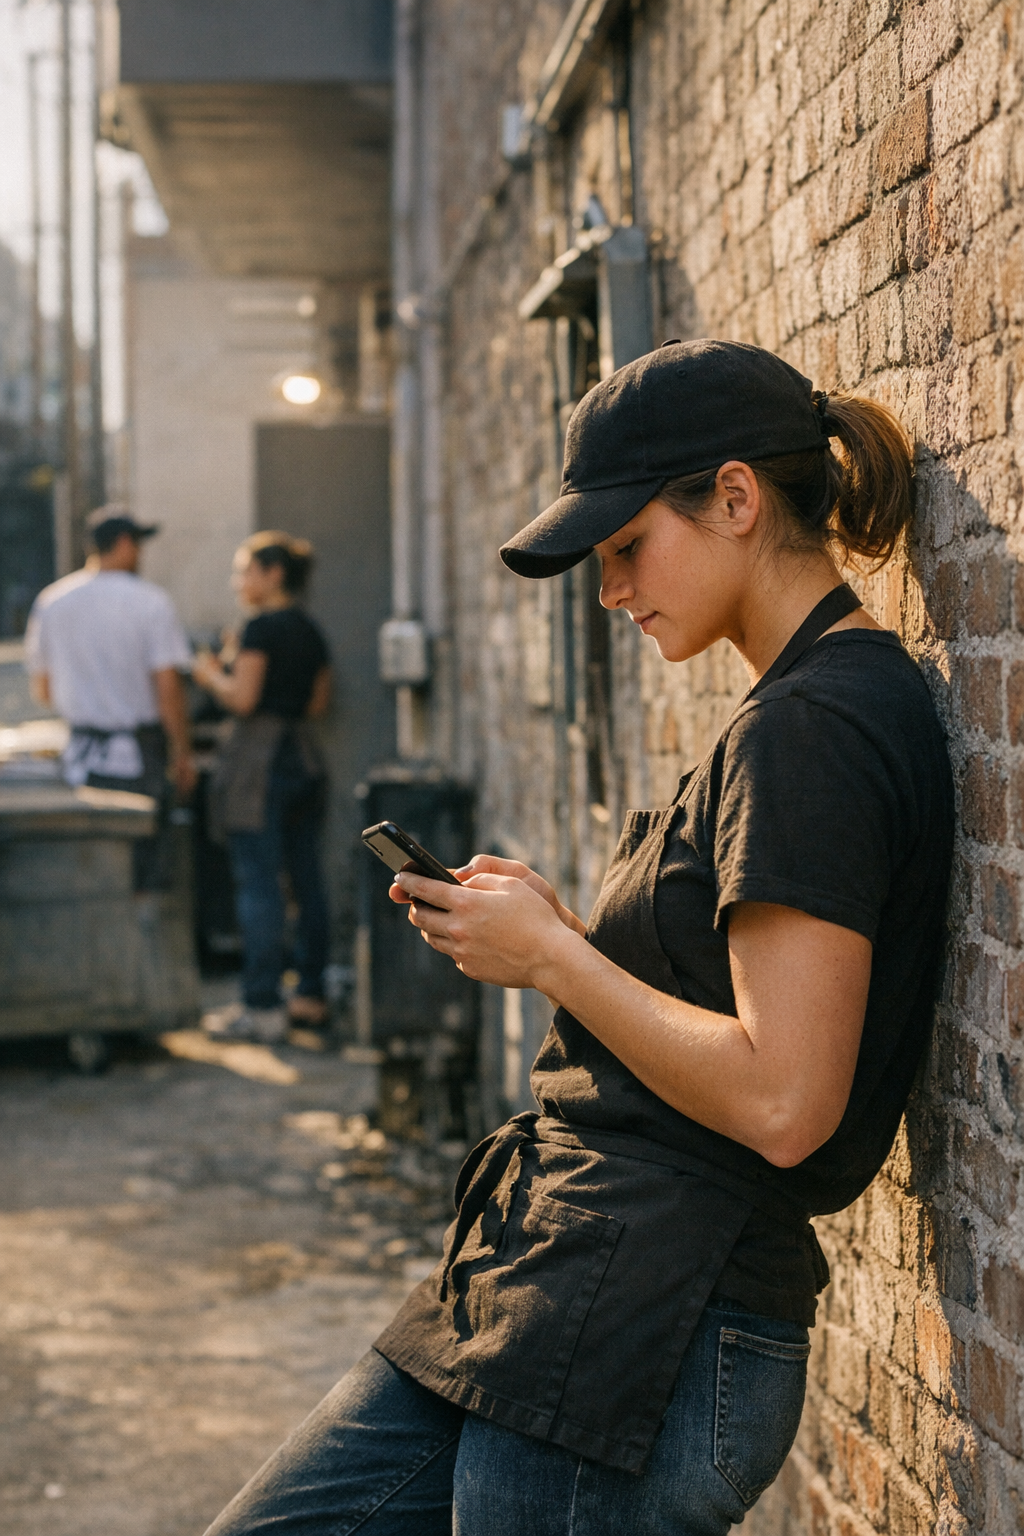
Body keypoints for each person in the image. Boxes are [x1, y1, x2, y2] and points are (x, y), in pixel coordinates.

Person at [203, 341, 954, 1536]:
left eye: (623, 547)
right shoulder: (791, 711)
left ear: (736, 498)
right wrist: (558, 930)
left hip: (651, 1317)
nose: (608, 591)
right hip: (561, 1281)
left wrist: (555, 960)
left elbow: (785, 1097)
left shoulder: (810, 729)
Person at [193, 530, 331, 1044]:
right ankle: (310, 996)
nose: (237, 583)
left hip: (258, 762)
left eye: (243, 570)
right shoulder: (310, 630)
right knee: (306, 880)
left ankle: (263, 1006)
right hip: (303, 758)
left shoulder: (260, 627)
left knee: (258, 885)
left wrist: (209, 674)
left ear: (272, 574)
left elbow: (243, 699)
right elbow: (317, 703)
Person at [25, 504, 195, 891]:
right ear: (122, 543)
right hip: (139, 753)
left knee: (90, 868)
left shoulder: (52, 601)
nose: (140, 554)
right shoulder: (150, 601)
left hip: (80, 755)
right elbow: (168, 687)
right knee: (143, 867)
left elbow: (44, 689)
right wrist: (181, 752)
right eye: (137, 544)